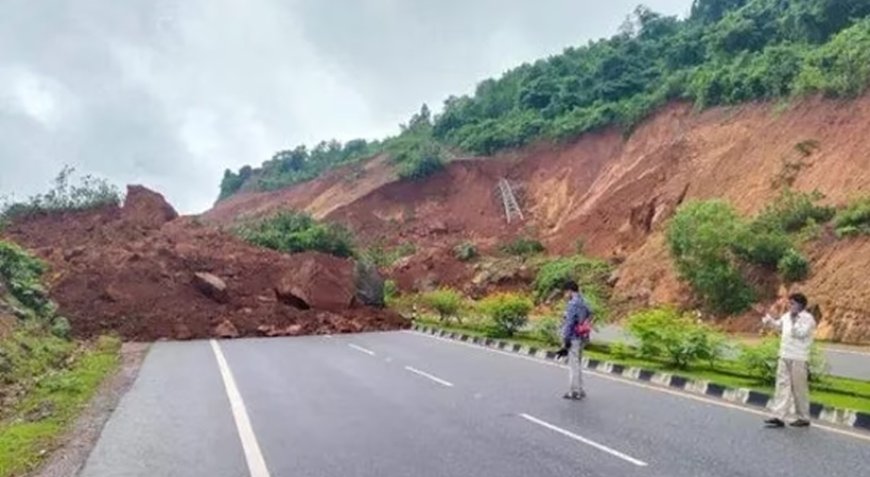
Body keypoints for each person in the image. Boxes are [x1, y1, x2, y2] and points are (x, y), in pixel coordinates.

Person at [760, 292, 817, 428]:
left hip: (799, 357)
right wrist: (767, 318)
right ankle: (778, 416)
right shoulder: (786, 316)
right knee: (782, 386)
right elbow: (778, 326)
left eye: (792, 304)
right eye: (789, 303)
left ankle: (803, 417)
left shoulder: (807, 319)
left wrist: (794, 319)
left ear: (800, 305)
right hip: (784, 355)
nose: (789, 306)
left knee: (799, 388)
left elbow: (800, 333)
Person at [556, 280, 592, 401]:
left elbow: (569, 323)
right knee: (578, 363)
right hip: (583, 336)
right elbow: (590, 313)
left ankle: (574, 392)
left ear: (570, 291)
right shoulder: (584, 301)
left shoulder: (572, 304)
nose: (565, 295)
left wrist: (566, 339)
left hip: (573, 337)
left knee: (573, 365)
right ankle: (580, 390)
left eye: (565, 293)